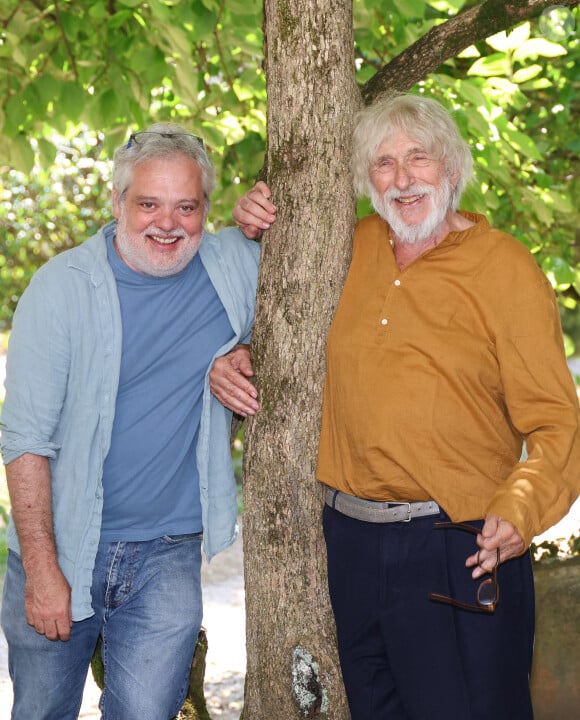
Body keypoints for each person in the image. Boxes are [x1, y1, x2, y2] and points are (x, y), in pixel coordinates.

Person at [211, 94, 580, 720]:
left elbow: (556, 419)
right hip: (346, 542)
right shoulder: (346, 248)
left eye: (418, 158)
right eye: (383, 163)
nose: (403, 179)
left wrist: (519, 510)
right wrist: (236, 355)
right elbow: (286, 335)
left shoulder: (506, 268)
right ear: (364, 180)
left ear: (453, 168)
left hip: (460, 542)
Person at [0, 123, 260, 720]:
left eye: (185, 207)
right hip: (64, 547)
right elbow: (25, 442)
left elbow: (306, 310)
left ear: (206, 211)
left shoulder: (234, 267)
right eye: (148, 204)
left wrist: (244, 359)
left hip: (168, 553)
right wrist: (44, 573)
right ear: (118, 203)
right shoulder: (60, 289)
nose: (166, 224)